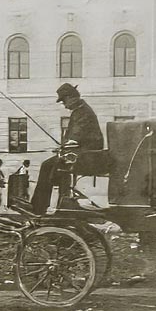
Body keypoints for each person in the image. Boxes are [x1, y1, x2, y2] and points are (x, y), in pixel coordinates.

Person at [30, 83, 104, 216]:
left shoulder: (82, 112)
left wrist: (65, 147)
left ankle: (39, 208)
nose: (64, 105)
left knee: (48, 166)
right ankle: (59, 204)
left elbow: (76, 136)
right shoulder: (81, 110)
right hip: (83, 153)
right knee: (54, 166)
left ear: (71, 97)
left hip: (86, 155)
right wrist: (64, 148)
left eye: (64, 101)